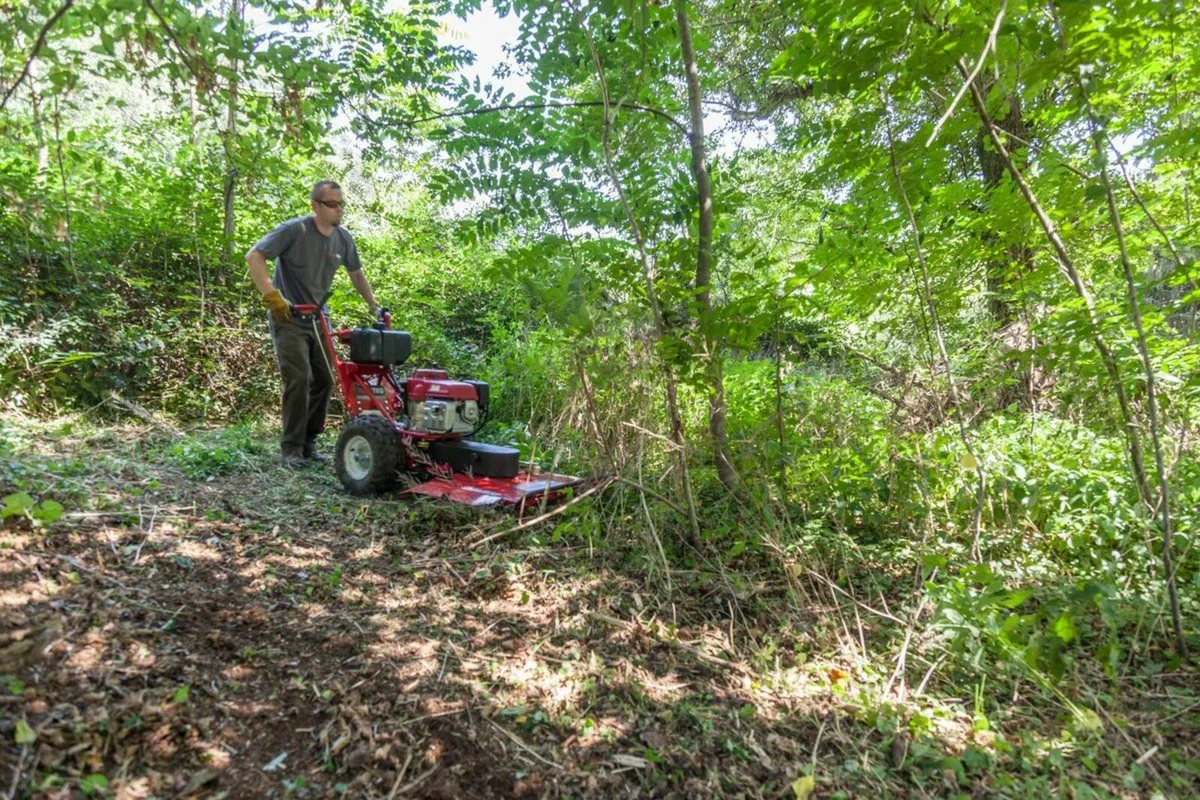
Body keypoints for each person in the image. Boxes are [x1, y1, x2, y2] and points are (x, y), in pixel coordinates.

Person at [246, 180, 379, 468]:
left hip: (320, 318)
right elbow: (254, 256)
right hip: (289, 317)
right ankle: (291, 447)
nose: (339, 209)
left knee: (325, 380)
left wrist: (373, 304)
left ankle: (308, 441)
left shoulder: (343, 238)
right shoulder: (295, 230)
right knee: (299, 379)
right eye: (332, 204)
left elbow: (356, 273)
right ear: (315, 206)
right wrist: (272, 295)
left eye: (341, 203)